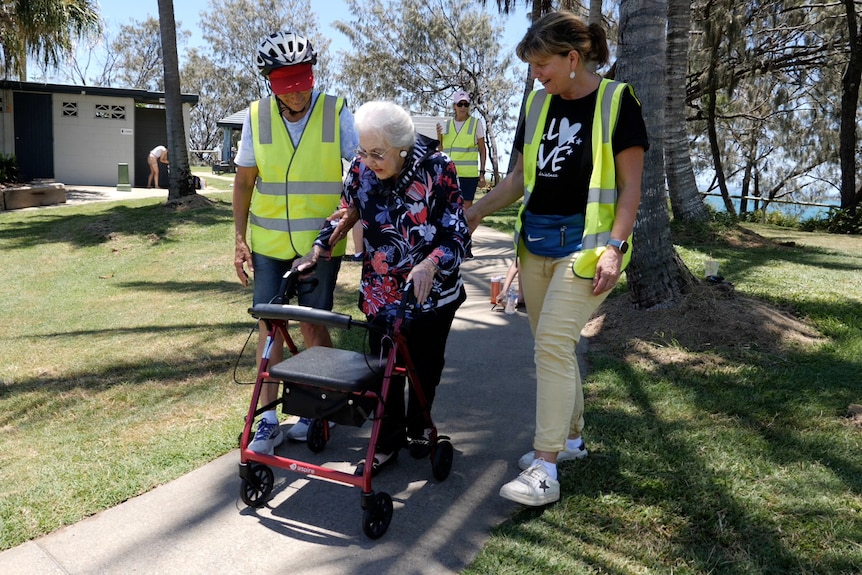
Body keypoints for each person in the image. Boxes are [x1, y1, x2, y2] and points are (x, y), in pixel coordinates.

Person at [466, 11, 648, 506]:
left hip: (589, 250)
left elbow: (632, 186)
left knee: (550, 344)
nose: (535, 74)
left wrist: (615, 247)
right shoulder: (536, 103)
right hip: (536, 244)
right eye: (531, 66)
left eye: (543, 64)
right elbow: (519, 180)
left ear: (573, 58)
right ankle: (570, 442)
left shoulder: (618, 101)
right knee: (554, 349)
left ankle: (544, 467)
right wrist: (476, 211)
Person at [294, 100, 471, 476]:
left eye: (378, 153)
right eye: (362, 151)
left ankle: (420, 427)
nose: (368, 161)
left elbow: (458, 233)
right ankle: (386, 441)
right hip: (381, 292)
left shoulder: (438, 169)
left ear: (403, 148)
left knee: (424, 366)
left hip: (432, 293)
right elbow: (345, 211)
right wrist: (317, 249)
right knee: (384, 369)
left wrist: (429, 264)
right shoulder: (361, 169)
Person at [233, 31, 358, 454]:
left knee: (312, 325)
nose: (299, 92)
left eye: (304, 80)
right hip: (268, 243)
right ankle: (267, 421)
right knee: (269, 327)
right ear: (270, 82)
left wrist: (350, 218)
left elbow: (361, 172)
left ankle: (313, 410)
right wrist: (238, 239)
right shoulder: (256, 116)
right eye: (288, 84)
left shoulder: (335, 110)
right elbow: (244, 181)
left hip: (319, 246)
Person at [437, 90, 487, 210]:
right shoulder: (445, 124)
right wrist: (438, 135)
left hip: (468, 175)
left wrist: (482, 173)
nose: (463, 107)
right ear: (454, 106)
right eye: (460, 104)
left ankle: (466, 229)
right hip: (449, 174)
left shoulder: (476, 123)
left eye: (466, 104)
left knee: (466, 209)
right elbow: (440, 149)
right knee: (447, 207)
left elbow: (482, 149)